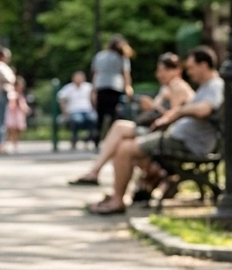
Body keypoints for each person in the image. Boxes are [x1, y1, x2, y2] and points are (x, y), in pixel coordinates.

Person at [87, 46, 223, 215]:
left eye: (191, 67)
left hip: (186, 143)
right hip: (178, 138)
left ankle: (116, 199)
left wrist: (179, 111)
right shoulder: (206, 86)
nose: (189, 72)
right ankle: (115, 192)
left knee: (125, 148)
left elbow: (204, 109)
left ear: (203, 65)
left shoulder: (215, 86)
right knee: (123, 139)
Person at [68, 52, 193, 187]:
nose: (159, 74)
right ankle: (111, 180)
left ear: (177, 70)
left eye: (164, 70)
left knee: (120, 129)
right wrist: (150, 108)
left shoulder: (177, 86)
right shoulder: (167, 87)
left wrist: (155, 107)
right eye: (159, 70)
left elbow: (174, 117)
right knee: (120, 138)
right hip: (158, 131)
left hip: (167, 134)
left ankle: (97, 174)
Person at [91, 35, 133, 137]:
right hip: (116, 87)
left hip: (101, 86)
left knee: (101, 113)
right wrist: (128, 87)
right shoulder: (122, 57)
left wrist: (93, 90)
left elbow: (95, 73)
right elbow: (126, 74)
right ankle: (113, 135)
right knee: (115, 113)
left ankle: (98, 133)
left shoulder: (99, 56)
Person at [56, 70, 98, 150]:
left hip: (87, 111)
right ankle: (74, 139)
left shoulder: (88, 87)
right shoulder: (68, 88)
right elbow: (60, 99)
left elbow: (94, 99)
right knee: (77, 120)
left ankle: (88, 138)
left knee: (93, 119)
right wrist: (65, 112)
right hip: (74, 112)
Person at [4, 75, 31, 154]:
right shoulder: (12, 95)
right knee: (11, 131)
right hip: (13, 115)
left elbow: (23, 105)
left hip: (18, 116)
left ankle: (15, 145)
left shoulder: (20, 96)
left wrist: (26, 109)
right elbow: (11, 105)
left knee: (18, 131)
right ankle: (8, 145)